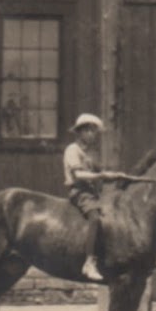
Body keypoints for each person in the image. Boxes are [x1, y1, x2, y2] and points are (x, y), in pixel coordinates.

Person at [63, 113, 129, 282]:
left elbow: (100, 173)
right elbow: (78, 175)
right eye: (90, 131)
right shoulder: (72, 150)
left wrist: (116, 175)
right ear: (81, 132)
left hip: (92, 194)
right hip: (79, 192)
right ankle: (89, 262)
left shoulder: (90, 154)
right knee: (94, 217)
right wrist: (102, 176)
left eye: (95, 132)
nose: (94, 135)